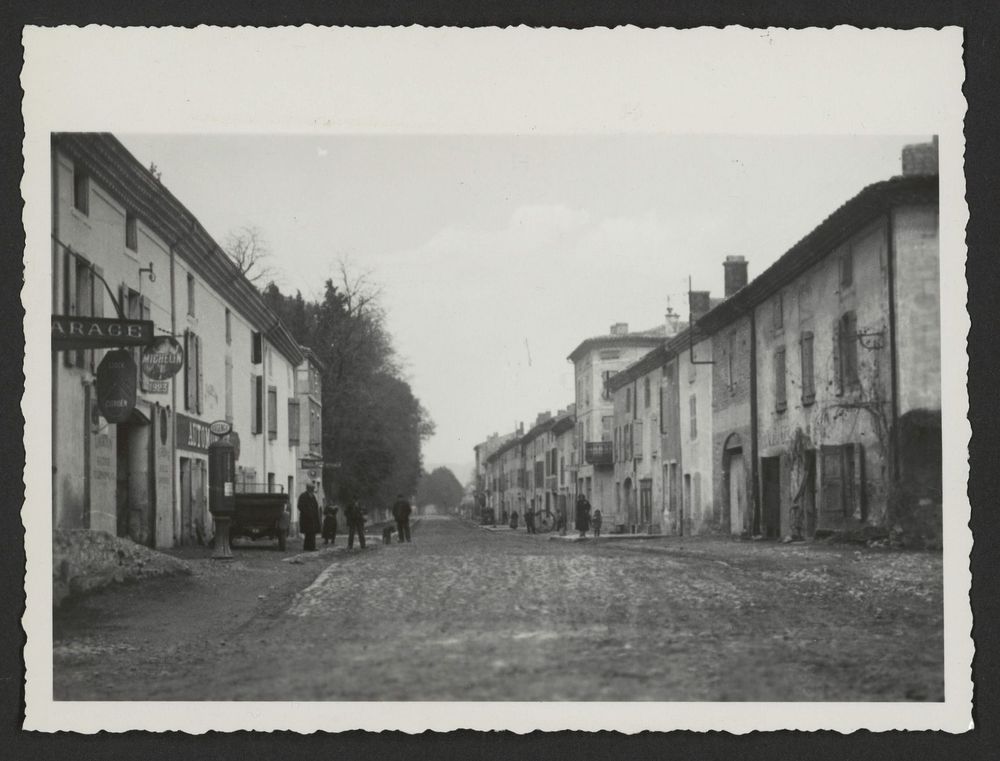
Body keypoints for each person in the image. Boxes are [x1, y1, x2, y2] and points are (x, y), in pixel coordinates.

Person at [297, 483, 321, 551]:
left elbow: (315, 506)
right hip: (306, 518)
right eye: (312, 489)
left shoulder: (313, 496)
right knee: (308, 533)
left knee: (312, 533)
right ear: (308, 489)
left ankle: (311, 547)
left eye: (313, 489)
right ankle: (308, 547)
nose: (313, 490)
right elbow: (300, 506)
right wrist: (306, 513)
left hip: (313, 518)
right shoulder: (303, 496)